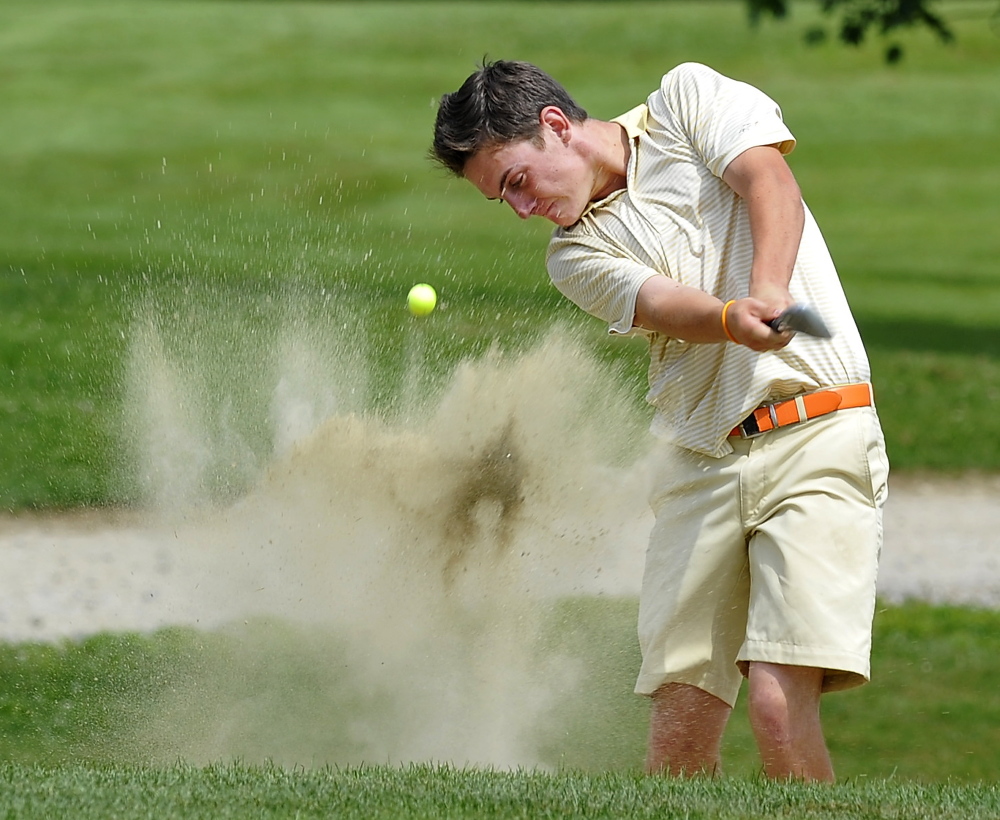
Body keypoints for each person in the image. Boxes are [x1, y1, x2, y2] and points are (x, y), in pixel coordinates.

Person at [430, 59, 889, 782]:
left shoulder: (686, 100)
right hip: (700, 463)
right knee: (677, 743)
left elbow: (770, 182)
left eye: (516, 181)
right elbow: (665, 306)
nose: (520, 209)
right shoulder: (573, 253)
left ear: (554, 126)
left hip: (817, 432)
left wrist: (766, 289)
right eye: (502, 201)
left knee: (775, 703)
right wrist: (734, 319)